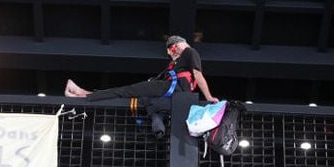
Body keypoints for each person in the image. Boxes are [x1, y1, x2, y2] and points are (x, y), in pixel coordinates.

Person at [65, 35, 219, 103]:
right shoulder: (178, 63)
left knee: (125, 91)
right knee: (126, 92)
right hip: (171, 90)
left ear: (176, 46)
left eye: (170, 51)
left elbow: (198, 75)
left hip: (170, 89)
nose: (171, 55)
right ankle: (86, 94)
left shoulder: (189, 52)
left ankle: (84, 95)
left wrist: (209, 97)